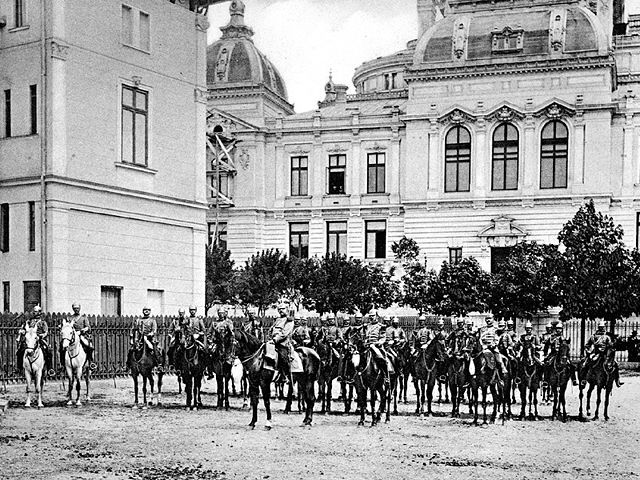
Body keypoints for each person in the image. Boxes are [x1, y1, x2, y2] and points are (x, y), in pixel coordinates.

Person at [582, 320, 623, 388]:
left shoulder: (607, 337)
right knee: (586, 363)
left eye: (603, 327)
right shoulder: (593, 336)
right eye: (600, 327)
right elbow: (587, 345)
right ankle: (584, 379)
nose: (602, 328)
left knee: (615, 364)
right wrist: (589, 351)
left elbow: (610, 345)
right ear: (598, 327)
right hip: (595, 353)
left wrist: (612, 346)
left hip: (605, 354)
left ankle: (617, 380)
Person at [16, 305, 51, 374]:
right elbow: (24, 328)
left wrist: (41, 336)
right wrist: (22, 331)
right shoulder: (29, 321)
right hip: (30, 340)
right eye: (34, 312)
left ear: (39, 313)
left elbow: (46, 332)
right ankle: (19, 368)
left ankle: (50, 368)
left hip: (39, 339)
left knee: (48, 351)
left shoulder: (42, 322)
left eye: (36, 312)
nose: (35, 313)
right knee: (20, 351)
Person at [364, 312, 393, 383]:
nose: (371, 317)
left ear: (377, 317)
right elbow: (365, 336)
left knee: (380, 357)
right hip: (367, 346)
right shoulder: (367, 326)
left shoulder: (381, 326)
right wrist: (365, 341)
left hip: (377, 346)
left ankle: (386, 376)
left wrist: (377, 343)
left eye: (373, 316)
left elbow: (383, 338)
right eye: (370, 316)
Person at [269, 303, 296, 374]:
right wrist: (269, 338)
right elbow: (270, 330)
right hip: (273, 342)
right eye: (279, 309)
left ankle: (285, 375)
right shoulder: (277, 320)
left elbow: (284, 333)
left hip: (283, 344)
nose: (281, 310)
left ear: (287, 310)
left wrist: (275, 340)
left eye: (283, 309)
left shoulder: (289, 320)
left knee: (283, 357)